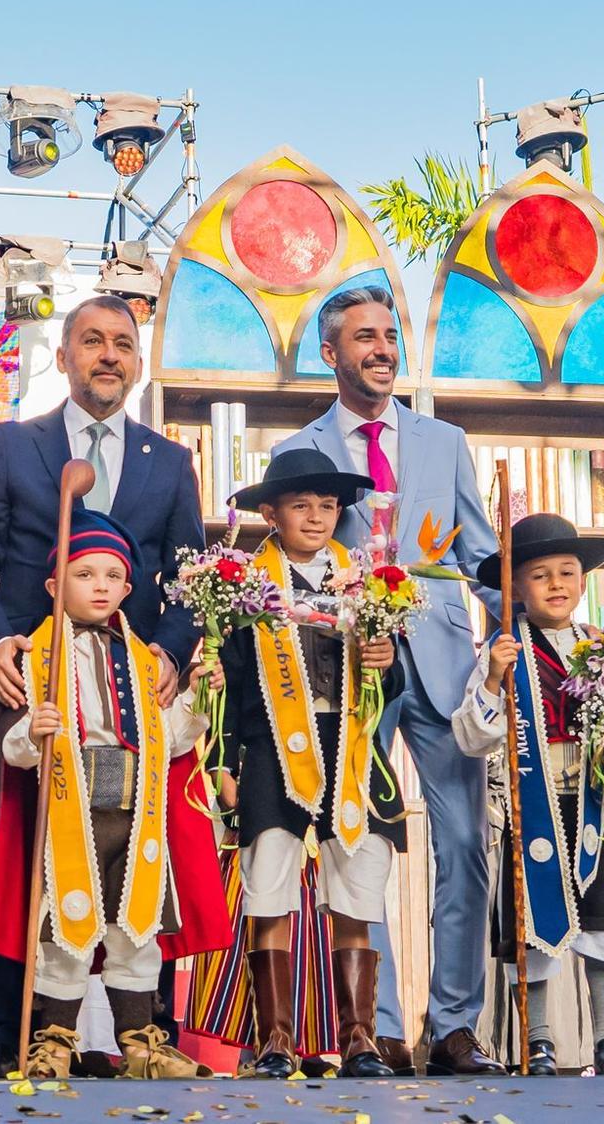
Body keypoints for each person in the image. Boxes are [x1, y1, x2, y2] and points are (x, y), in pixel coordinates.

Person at [0, 294, 207, 1076]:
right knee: (23, 856)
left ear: (137, 361)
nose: (107, 355)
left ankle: (138, 1037)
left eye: (122, 344)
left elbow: (190, 581)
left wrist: (165, 652)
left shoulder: (171, 462)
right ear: (61, 357)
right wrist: (0, 648)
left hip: (135, 703)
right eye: (90, 341)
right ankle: (13, 1035)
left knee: (138, 855)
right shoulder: (12, 444)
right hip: (36, 696)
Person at [274, 285, 501, 1076]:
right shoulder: (297, 451)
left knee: (466, 845)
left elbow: (480, 559)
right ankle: (378, 1031)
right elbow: (289, 569)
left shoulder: (445, 442)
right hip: (344, 672)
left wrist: (516, 645)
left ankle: (453, 1026)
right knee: (356, 845)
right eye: (363, 337)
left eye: (389, 336)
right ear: (330, 353)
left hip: (442, 666)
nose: (381, 349)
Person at [0, 509, 228, 1080]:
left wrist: (197, 700)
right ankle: (54, 1042)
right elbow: (7, 748)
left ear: (127, 588)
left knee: (135, 929)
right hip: (69, 818)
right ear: (55, 586)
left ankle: (142, 1043)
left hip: (135, 812)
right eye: (84, 574)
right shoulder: (33, 656)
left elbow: (168, 740)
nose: (99, 587)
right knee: (63, 929)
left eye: (110, 577)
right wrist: (33, 731)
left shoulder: (146, 661)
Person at [453, 514, 604, 1077]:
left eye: (567, 572)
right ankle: (541, 1040)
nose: (556, 583)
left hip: (601, 802)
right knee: (534, 926)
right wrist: (492, 682)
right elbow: (472, 736)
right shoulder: (502, 652)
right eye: (538, 574)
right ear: (515, 590)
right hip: (534, 802)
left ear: (584, 581)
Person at [216, 448, 406, 1079]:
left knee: (356, 881)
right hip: (273, 745)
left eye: (328, 505)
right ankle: (275, 1038)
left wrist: (385, 659)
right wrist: (224, 760)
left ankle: (358, 1037)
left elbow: (393, 680)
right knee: (268, 876)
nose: (318, 516)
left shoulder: (369, 579)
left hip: (349, 744)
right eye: (302, 505)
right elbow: (231, 681)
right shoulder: (246, 584)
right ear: (270, 512)